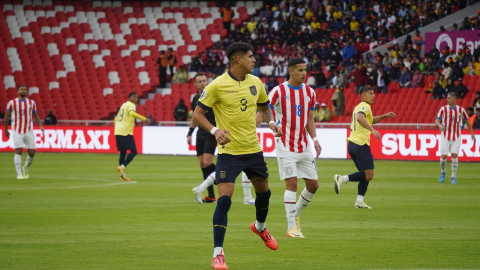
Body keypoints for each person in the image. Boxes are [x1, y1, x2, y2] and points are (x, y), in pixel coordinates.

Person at [192, 42, 281, 269]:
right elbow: (197, 114)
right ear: (238, 59)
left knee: (265, 193)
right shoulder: (216, 86)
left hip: (253, 149)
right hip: (229, 153)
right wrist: (214, 130)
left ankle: (259, 227)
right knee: (224, 200)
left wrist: (270, 121)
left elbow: (264, 107)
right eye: (251, 56)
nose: (254, 60)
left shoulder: (256, 82)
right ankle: (218, 254)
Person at [264, 57, 321, 239]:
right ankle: (291, 227)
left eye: (305, 69)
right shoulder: (279, 91)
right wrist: (265, 123)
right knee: (292, 183)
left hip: (303, 146)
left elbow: (309, 119)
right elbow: (264, 110)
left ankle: (295, 214)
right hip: (285, 145)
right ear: (291, 71)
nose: (304, 73)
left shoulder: (310, 92)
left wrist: (315, 139)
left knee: (313, 185)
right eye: (300, 70)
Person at [190, 73, 256, 205]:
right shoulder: (196, 98)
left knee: (208, 163)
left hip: (213, 132)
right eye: (200, 81)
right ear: (195, 84)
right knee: (203, 164)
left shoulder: (214, 95)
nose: (203, 83)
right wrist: (190, 132)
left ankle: (218, 180)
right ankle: (211, 195)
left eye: (204, 81)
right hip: (200, 133)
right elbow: (195, 116)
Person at [333, 86, 396, 209]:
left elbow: (369, 120)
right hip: (360, 144)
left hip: (352, 144)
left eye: (374, 93)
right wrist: (373, 130)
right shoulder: (365, 106)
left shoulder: (359, 107)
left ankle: (359, 201)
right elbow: (360, 118)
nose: (373, 96)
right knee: (369, 174)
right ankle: (342, 178)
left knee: (365, 174)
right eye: (370, 93)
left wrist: (384, 115)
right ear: (363, 96)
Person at [4, 85, 44, 179]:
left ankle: (25, 167)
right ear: (17, 91)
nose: (23, 91)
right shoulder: (12, 103)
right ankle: (19, 174)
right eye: (21, 89)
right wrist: (6, 130)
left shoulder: (31, 103)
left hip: (29, 131)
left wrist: (40, 126)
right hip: (17, 131)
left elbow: (36, 115)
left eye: (25, 89)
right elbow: (6, 117)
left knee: (32, 153)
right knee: (18, 150)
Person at [435, 92, 476, 184]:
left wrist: (472, 133)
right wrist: (440, 125)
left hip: (456, 136)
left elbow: (467, 122)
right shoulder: (443, 109)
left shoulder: (461, 110)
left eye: (449, 98)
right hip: (445, 135)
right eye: (447, 98)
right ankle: (443, 172)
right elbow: (437, 121)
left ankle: (453, 177)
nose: (447, 99)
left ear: (454, 99)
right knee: (444, 156)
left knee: (454, 155)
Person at [114, 92, 150, 181]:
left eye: (137, 98)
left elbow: (116, 119)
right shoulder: (131, 105)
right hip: (125, 132)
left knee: (123, 153)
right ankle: (122, 166)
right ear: (129, 98)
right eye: (134, 97)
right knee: (134, 151)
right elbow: (132, 114)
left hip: (118, 131)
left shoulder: (123, 105)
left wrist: (118, 126)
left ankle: (122, 176)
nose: (136, 99)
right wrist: (145, 119)